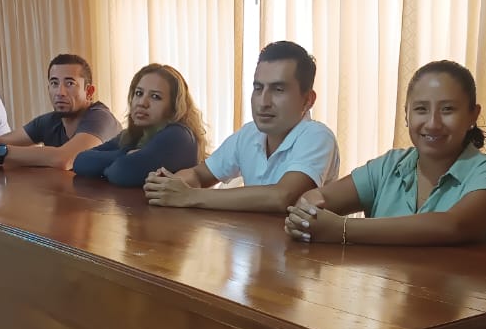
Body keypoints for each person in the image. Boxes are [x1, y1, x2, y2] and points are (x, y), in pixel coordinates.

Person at [284, 60, 486, 246]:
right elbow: (315, 198)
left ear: (472, 116)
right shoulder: (389, 166)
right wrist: (306, 213)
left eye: (448, 109)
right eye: (421, 109)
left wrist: (341, 230)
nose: (433, 123)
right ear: (406, 115)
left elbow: (454, 226)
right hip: (391, 291)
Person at [142, 41, 339, 211]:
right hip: (256, 240)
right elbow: (198, 174)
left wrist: (189, 196)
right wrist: (170, 186)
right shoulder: (250, 133)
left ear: (308, 100)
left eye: (278, 90)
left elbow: (282, 196)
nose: (263, 102)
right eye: (258, 88)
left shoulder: (317, 135)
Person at [0, 54, 119, 168]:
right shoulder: (50, 121)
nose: (60, 92)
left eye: (69, 83)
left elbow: (64, 159)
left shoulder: (101, 118)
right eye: (54, 83)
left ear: (89, 92)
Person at [72, 63, 208, 187]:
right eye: (139, 93)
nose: (142, 103)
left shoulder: (179, 135)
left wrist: (108, 167)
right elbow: (80, 161)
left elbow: (121, 172)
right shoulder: (134, 134)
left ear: (174, 107)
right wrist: (126, 154)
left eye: (155, 96)